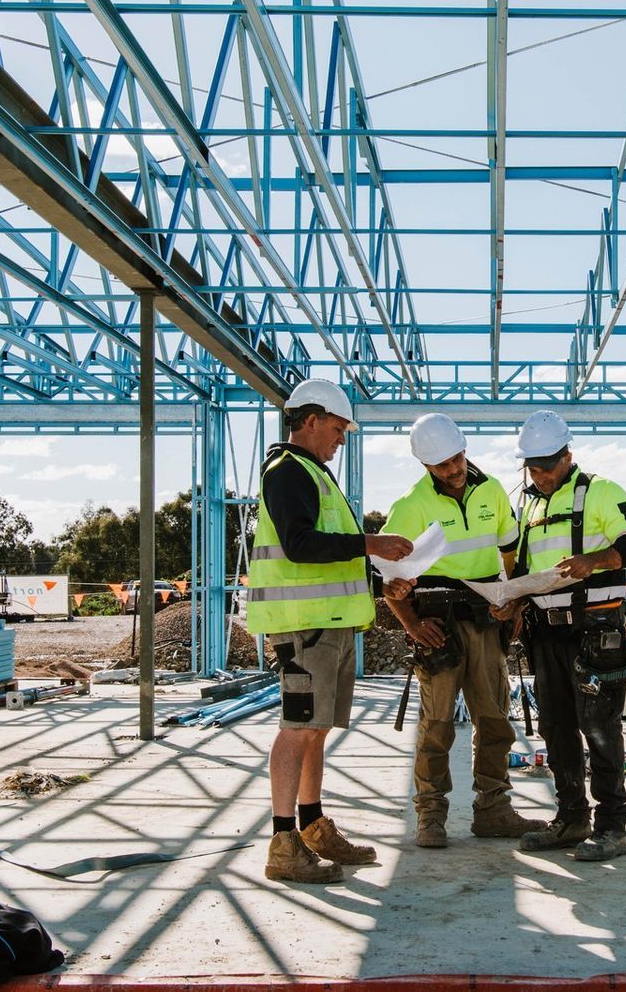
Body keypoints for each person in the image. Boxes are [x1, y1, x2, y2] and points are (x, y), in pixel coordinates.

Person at [246, 378, 414, 885]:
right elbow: (299, 545)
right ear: (312, 420)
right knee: (298, 729)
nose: (342, 439)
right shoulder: (288, 471)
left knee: (315, 730)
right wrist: (371, 544)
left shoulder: (313, 474)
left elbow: (329, 552)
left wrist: (380, 573)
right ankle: (283, 842)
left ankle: (312, 823)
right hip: (305, 628)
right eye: (339, 429)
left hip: (330, 625)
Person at [380, 413, 544, 848]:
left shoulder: (490, 490)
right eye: (441, 466)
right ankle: (430, 815)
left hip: (486, 619)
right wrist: (413, 624)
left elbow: (510, 553)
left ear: (464, 450)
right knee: (436, 725)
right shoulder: (411, 506)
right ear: (425, 467)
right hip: (438, 626)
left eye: (455, 459)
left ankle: (493, 809)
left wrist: (514, 599)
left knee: (494, 719)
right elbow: (388, 579)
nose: (452, 470)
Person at [508, 409, 626, 862]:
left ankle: (611, 827)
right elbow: (526, 567)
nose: (540, 475)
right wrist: (510, 597)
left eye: (547, 465)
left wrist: (595, 560)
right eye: (532, 467)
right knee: (555, 729)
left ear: (568, 455)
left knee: (599, 728)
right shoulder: (529, 504)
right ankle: (571, 818)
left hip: (595, 633)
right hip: (546, 634)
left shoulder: (602, 492)